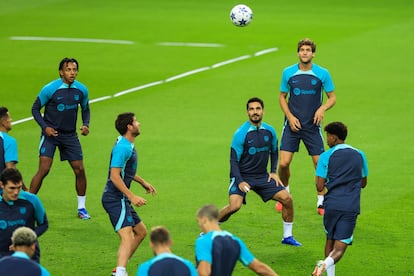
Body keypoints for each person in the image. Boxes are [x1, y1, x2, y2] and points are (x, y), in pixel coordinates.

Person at [218, 97, 301, 246]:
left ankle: (287, 236)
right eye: (251, 109)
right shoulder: (241, 134)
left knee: (287, 199)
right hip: (243, 176)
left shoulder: (270, 131)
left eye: (258, 109)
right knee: (234, 206)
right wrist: (240, 180)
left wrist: (273, 171)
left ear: (263, 111)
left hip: (262, 176)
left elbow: (274, 151)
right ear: (247, 112)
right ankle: (209, 227)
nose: (255, 112)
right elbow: (233, 161)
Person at [277, 38, 336, 216]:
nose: (304, 52)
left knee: (320, 164)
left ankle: (321, 200)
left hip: (312, 126)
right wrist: (290, 116)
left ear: (313, 53)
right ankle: (284, 193)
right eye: (302, 50)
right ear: (298, 53)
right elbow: (282, 97)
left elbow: (332, 97)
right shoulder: (288, 73)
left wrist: (322, 108)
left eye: (308, 50)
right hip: (292, 126)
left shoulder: (322, 73)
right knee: (284, 163)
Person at [29, 57, 91, 220]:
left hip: (70, 135)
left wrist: (86, 124)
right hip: (51, 135)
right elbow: (35, 109)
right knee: (44, 169)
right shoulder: (50, 89)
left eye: (75, 69)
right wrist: (45, 128)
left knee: (80, 169)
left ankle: (82, 208)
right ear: (61, 72)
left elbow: (85, 109)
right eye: (69, 70)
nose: (72, 73)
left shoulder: (82, 90)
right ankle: (27, 205)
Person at [102, 112, 157, 276]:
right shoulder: (123, 148)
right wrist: (132, 196)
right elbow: (114, 176)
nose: (139, 123)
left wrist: (142, 182)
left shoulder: (125, 144)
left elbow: (125, 171)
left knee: (140, 232)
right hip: (115, 198)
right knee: (127, 236)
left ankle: (120, 266)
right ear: (129, 127)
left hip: (121, 198)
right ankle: (120, 272)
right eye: (135, 121)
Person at [311, 122, 368, 276]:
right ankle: (323, 266)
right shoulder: (359, 154)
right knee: (340, 248)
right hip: (350, 206)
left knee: (329, 239)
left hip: (331, 205)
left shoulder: (325, 156)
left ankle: (328, 273)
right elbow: (363, 183)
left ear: (334, 138)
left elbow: (319, 186)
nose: (327, 140)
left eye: (328, 136)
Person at [196, 204, 278, 276]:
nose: (199, 225)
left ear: (204, 219)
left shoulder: (204, 241)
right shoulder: (235, 241)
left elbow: (204, 273)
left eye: (198, 221)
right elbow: (259, 268)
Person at [0, 168, 48, 263]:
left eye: (19, 187)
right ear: (2, 185)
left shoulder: (32, 200)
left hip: (28, 254)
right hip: (2, 255)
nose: (16, 192)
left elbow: (43, 224)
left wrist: (26, 240)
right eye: (12, 188)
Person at [0, 107, 28, 191]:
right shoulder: (9, 141)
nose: (11, 120)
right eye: (9, 118)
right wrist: (25, 189)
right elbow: (10, 169)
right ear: (3, 123)